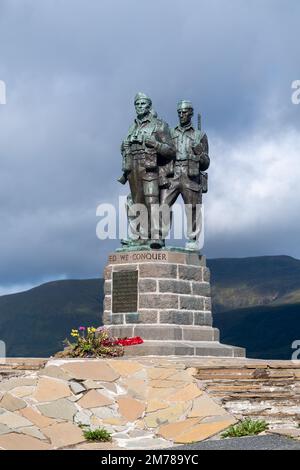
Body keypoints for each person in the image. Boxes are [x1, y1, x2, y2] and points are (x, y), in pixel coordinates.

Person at [120, 92, 175, 247]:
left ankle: (157, 236)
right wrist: (123, 147)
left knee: (152, 200)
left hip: (150, 166)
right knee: (137, 202)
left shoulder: (159, 125)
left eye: (143, 104)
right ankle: (140, 237)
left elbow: (171, 150)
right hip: (133, 167)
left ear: (149, 106)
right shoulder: (132, 126)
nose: (139, 107)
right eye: (137, 104)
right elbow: (125, 146)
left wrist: (155, 144)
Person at [160, 100, 210, 251]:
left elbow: (206, 163)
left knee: (193, 208)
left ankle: (193, 238)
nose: (181, 115)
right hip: (173, 173)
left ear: (191, 113)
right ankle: (160, 236)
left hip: (191, 175)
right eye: (179, 112)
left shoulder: (199, 135)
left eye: (185, 112)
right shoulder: (171, 133)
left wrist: (200, 153)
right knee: (163, 205)